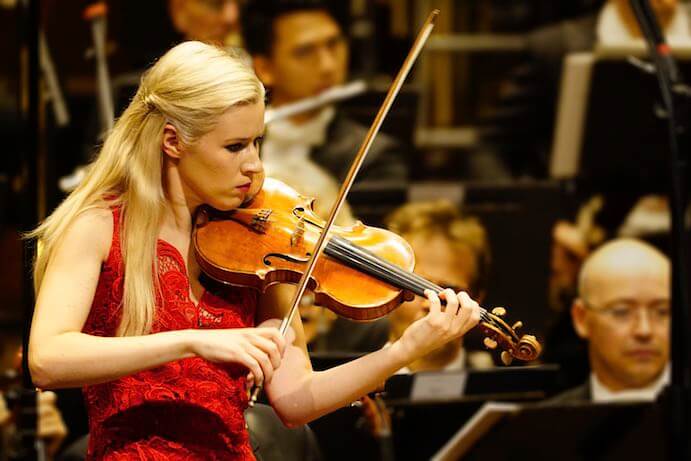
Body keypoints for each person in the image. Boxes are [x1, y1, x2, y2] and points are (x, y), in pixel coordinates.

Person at [27, 41, 482, 459]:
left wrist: (403, 350)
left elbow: (296, 401)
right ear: (172, 142)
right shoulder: (98, 225)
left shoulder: (256, 251)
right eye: (234, 147)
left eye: (256, 142)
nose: (254, 166)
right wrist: (191, 342)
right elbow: (48, 360)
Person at [241, 0, 408, 203]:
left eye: (333, 45)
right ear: (265, 68)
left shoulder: (373, 157)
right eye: (305, 52)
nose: (328, 66)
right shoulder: (233, 143)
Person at [550, 238, 670, 403]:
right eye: (622, 312)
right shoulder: (543, 425)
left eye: (662, 312)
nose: (644, 330)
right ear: (581, 318)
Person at [384, 200, 493, 373]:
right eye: (414, 286)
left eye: (449, 291)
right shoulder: (347, 396)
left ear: (477, 298)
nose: (430, 305)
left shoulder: (499, 397)